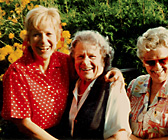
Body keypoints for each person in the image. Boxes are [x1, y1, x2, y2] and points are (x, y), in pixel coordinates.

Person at [1, 6, 124, 140]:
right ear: (28, 39)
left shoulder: (64, 62)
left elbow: (88, 68)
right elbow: (23, 123)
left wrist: (113, 71)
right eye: (36, 34)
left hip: (60, 133)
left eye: (48, 34)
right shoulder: (17, 71)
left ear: (57, 37)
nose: (43, 41)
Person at [69, 30, 131, 140]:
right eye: (80, 56)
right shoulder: (72, 85)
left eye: (92, 56)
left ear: (103, 60)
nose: (85, 62)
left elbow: (119, 136)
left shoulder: (113, 87)